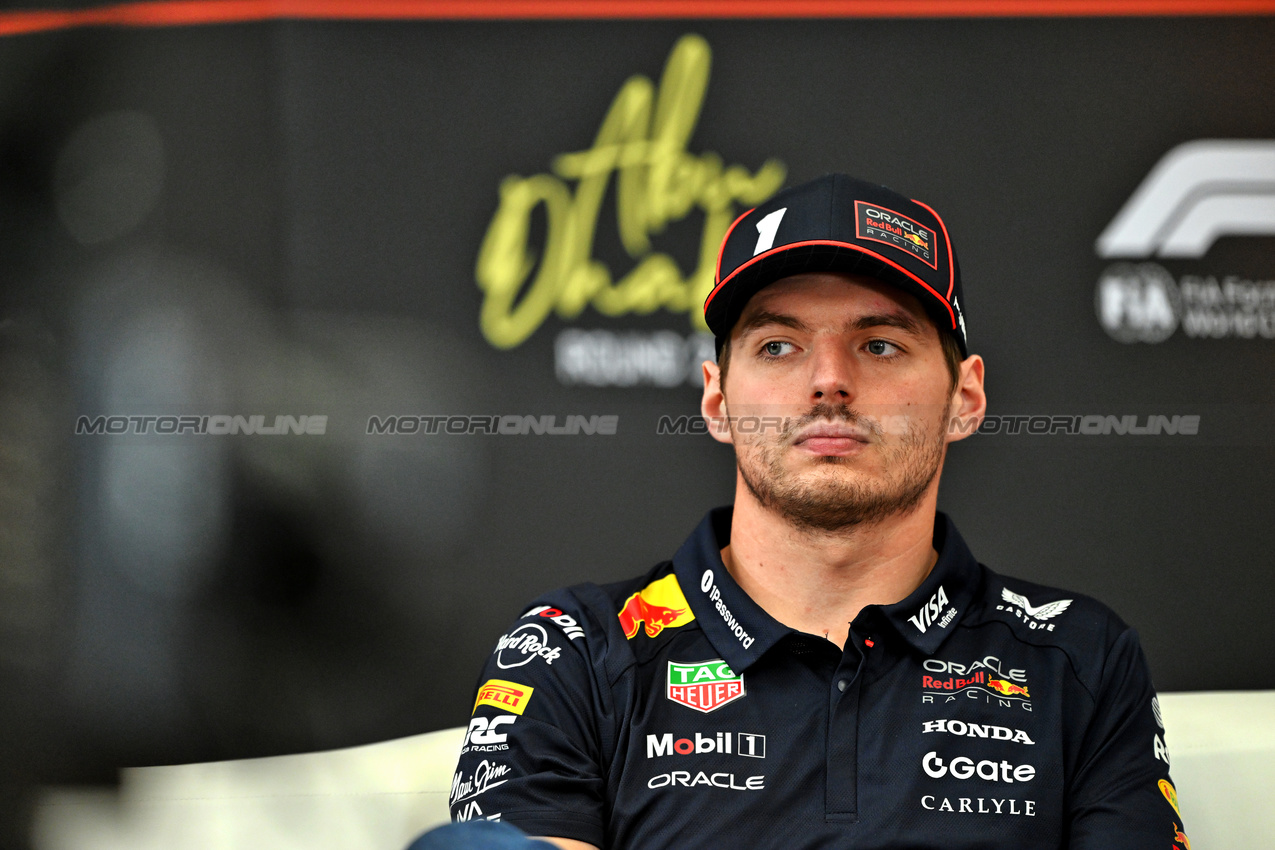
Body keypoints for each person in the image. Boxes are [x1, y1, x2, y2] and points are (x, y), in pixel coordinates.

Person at [414, 174, 1186, 850]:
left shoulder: (1078, 657)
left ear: (965, 397)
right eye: (777, 346)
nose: (828, 381)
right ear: (717, 398)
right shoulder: (571, 650)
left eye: (879, 344)